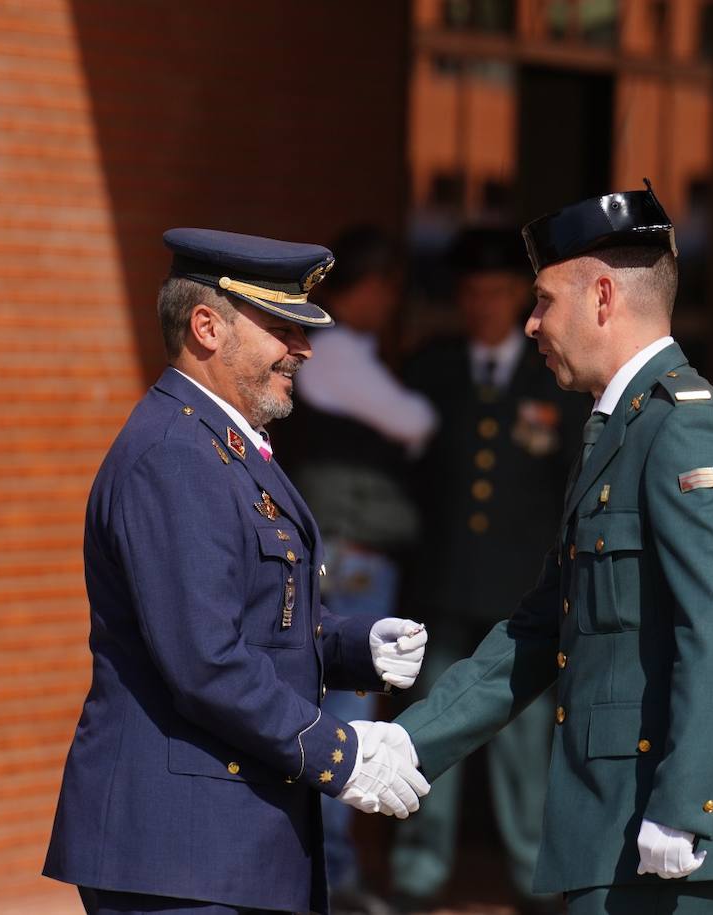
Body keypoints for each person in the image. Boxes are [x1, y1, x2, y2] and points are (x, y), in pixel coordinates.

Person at [365, 184, 713, 914]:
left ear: (602, 297)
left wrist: (684, 805)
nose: (530, 323)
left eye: (542, 301)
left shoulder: (685, 429)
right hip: (612, 817)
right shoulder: (616, 428)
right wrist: (412, 742)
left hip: (661, 827)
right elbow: (541, 626)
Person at [42, 227, 432, 915]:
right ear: (206, 327)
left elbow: (255, 618)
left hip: (216, 844)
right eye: (282, 328)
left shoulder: (219, 444)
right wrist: (339, 753)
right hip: (180, 850)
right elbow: (206, 659)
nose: (303, 349)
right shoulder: (176, 455)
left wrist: (348, 645)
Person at [389, 227, 589, 914]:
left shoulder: (552, 376)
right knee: (431, 729)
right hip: (441, 584)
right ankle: (417, 873)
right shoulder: (429, 371)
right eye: (470, 293)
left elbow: (572, 486)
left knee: (523, 748)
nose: (483, 305)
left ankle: (533, 878)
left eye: (498, 292)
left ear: (519, 297)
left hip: (521, 596)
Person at [284, 225, 437, 914]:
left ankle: (331, 873)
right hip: (349, 557)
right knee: (343, 720)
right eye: (389, 289)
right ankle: (333, 879)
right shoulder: (339, 347)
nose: (392, 303)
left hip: (345, 553)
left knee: (339, 713)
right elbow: (413, 420)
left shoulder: (338, 348)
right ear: (368, 287)